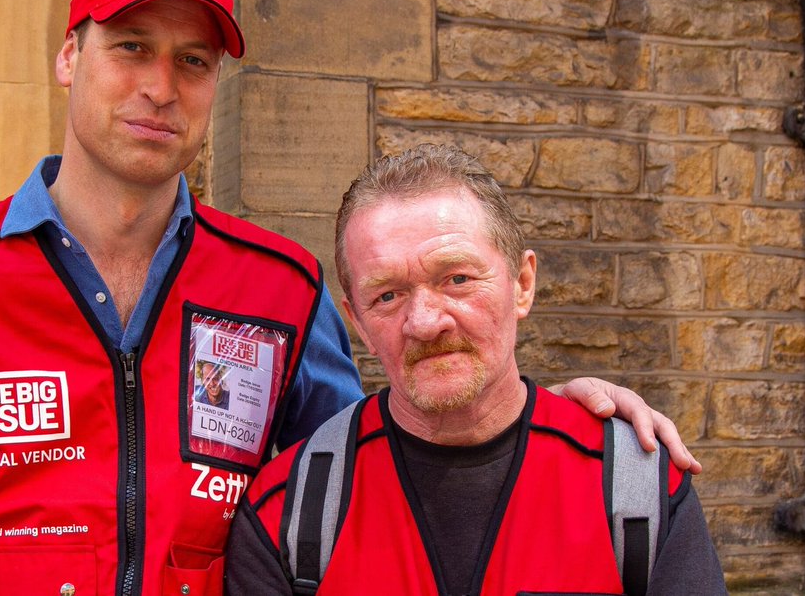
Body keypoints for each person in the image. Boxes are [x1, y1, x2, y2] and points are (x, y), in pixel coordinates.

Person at [0, 0, 698, 596]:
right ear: (69, 55)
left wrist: (543, 409)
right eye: (131, 47)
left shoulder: (277, 289)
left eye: (192, 61)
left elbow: (383, 457)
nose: (161, 85)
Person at [224, 144, 726, 595]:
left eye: (457, 278)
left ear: (523, 283)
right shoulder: (286, 512)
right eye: (388, 295)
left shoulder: (635, 489)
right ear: (356, 320)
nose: (424, 322)